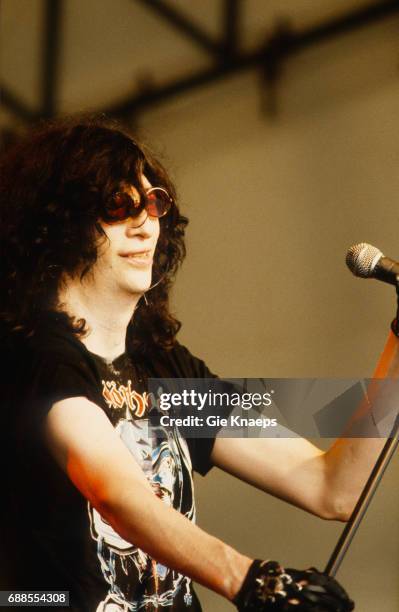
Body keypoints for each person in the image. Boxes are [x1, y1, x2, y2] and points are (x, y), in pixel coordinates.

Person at [0, 115, 383, 611]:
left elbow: (332, 489)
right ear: (59, 224)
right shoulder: (32, 358)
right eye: (119, 204)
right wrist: (253, 581)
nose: (144, 223)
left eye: (153, 202)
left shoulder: (162, 370)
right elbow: (116, 495)